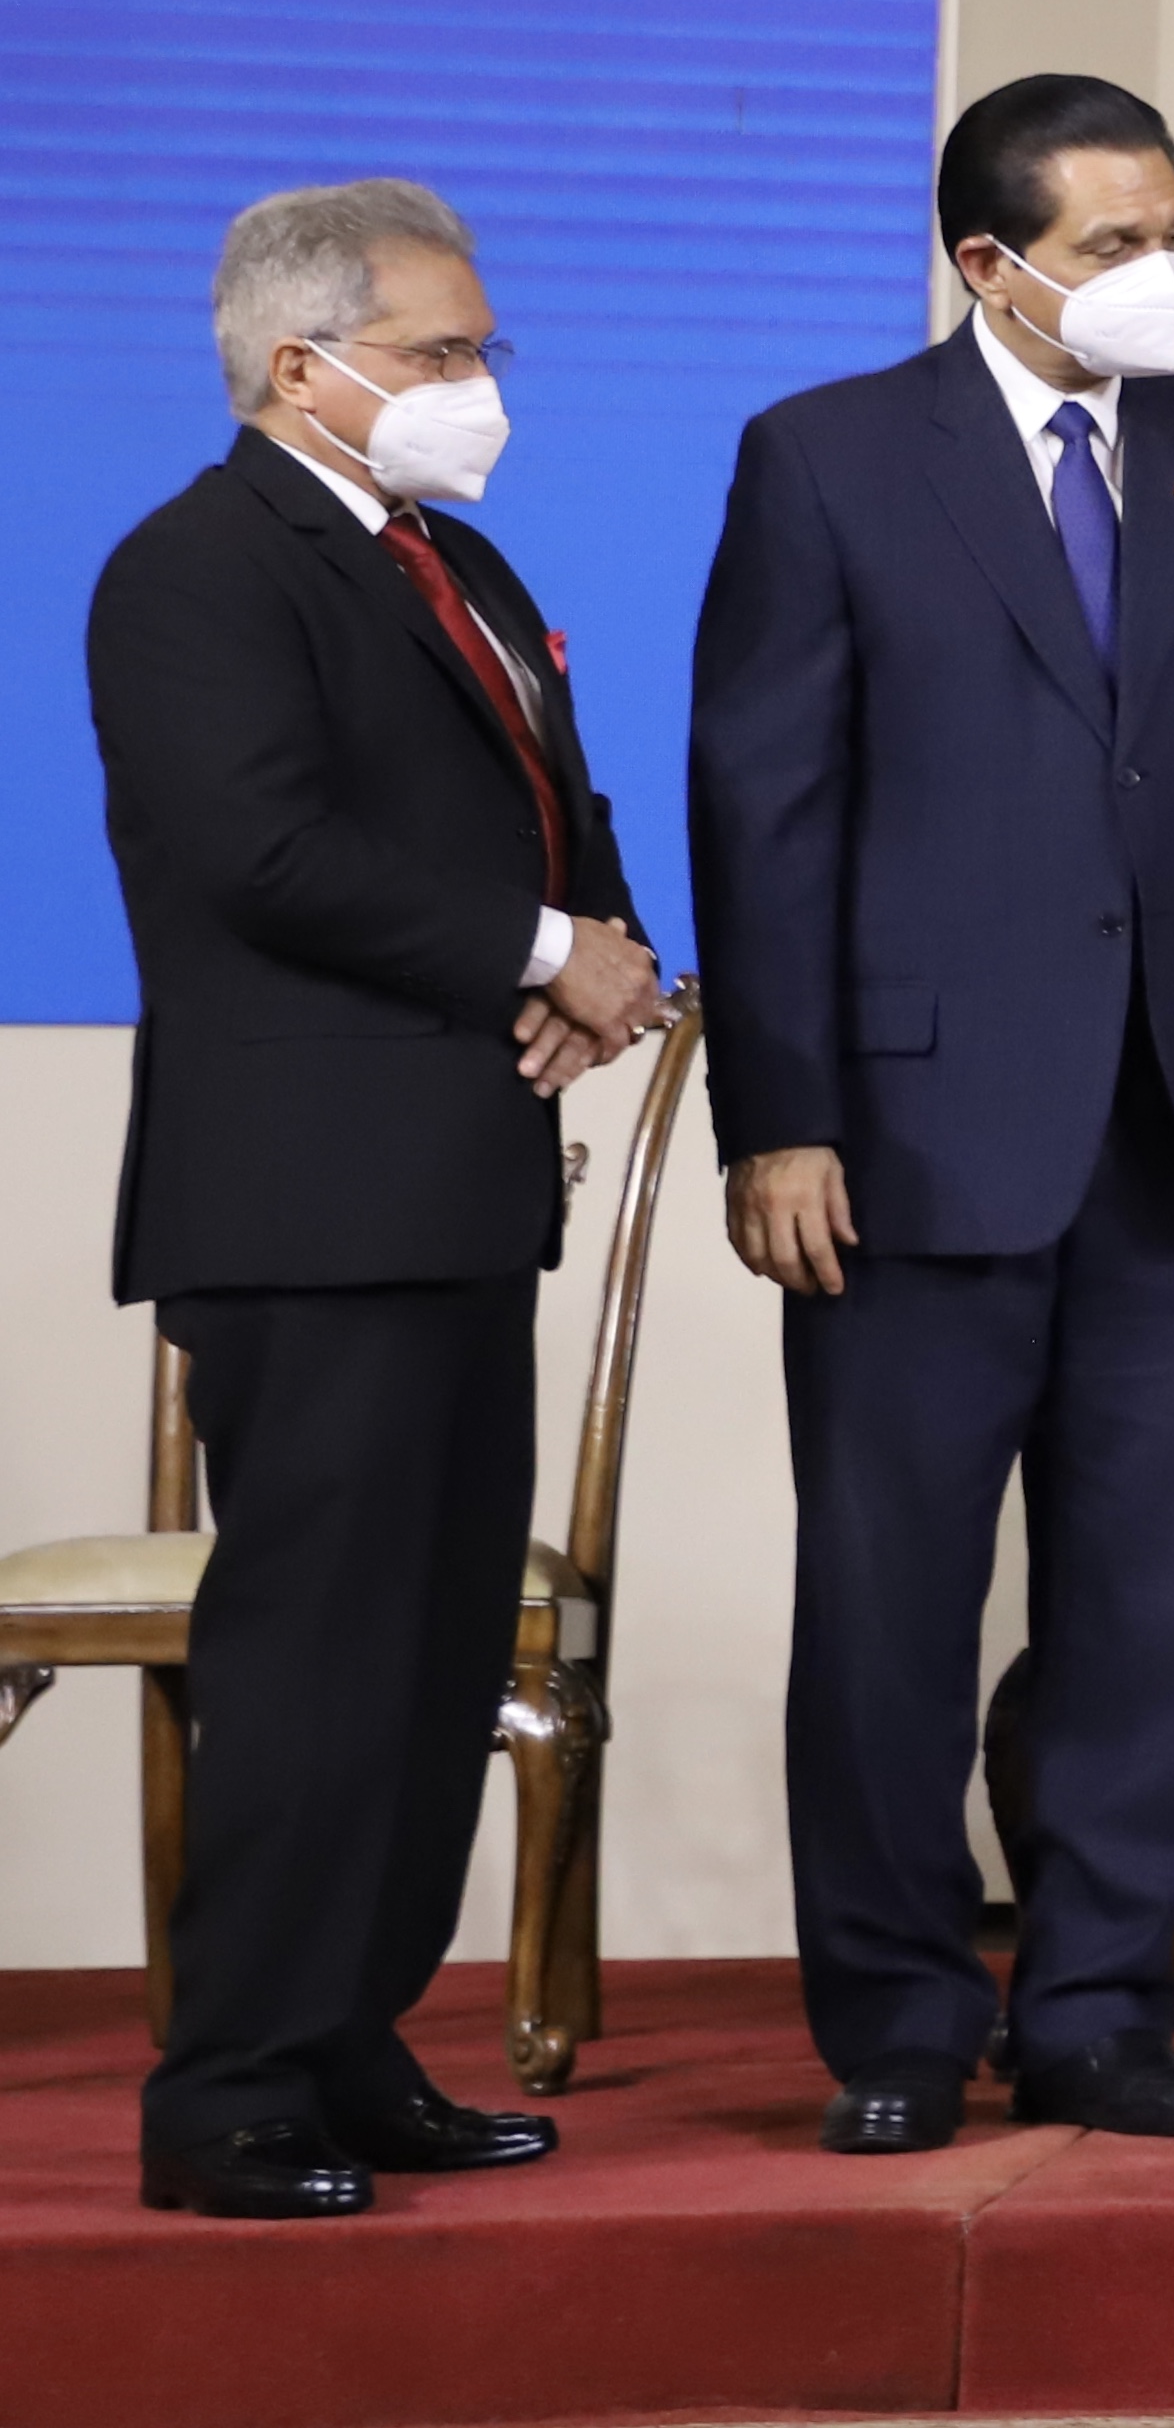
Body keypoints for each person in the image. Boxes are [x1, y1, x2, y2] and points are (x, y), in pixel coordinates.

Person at [691, 74, 1174, 2156]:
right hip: (905, 1148)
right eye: (1111, 243)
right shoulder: (826, 458)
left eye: (1172, 230)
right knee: (892, 1616)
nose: (1157, 271)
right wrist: (779, 1115)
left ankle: (1095, 2010)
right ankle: (900, 2025)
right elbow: (764, 806)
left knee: (1148, 1616)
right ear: (988, 263)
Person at [89, 181, 669, 2220]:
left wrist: (598, 954)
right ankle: (229, 2089)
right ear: (296, 364)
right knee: (316, 1656)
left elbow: (558, 811)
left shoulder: (460, 561)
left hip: (458, 1187)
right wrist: (544, 949)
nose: (475, 383)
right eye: (438, 352)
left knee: (429, 1659)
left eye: (481, 348)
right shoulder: (193, 568)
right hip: (305, 1204)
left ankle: (351, 2044)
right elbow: (257, 851)